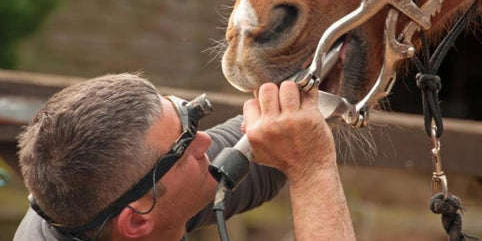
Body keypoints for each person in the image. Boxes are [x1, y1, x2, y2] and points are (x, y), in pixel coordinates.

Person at [14, 73, 355, 240]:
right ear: (136, 221)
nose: (205, 141)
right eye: (183, 149)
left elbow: (263, 152)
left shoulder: (103, 208)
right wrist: (313, 170)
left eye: (189, 123)